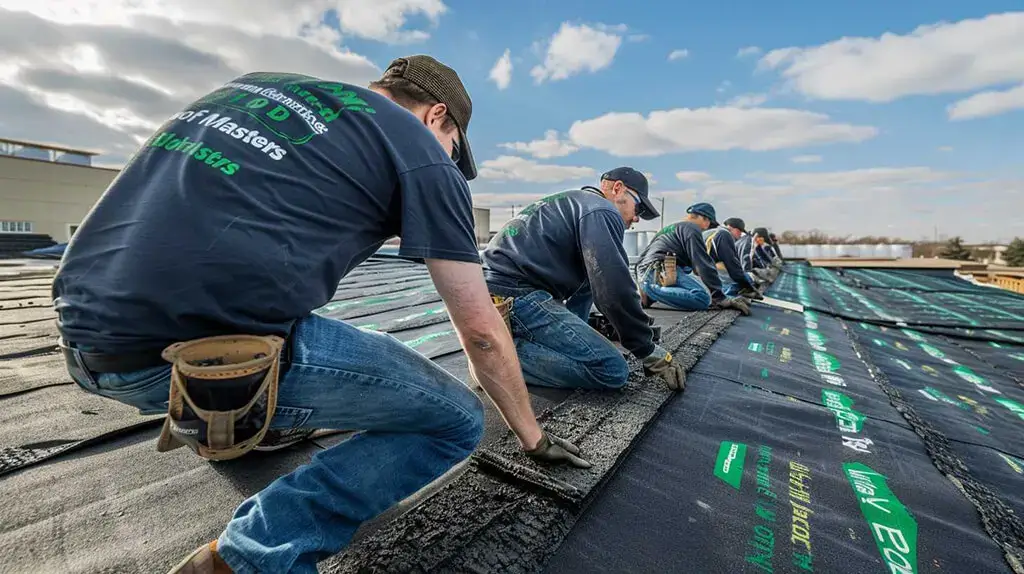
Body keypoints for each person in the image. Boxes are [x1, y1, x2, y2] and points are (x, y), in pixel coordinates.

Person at [52, 55, 591, 574]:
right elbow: (480, 332)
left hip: (83, 336)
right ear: (437, 116)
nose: (450, 161)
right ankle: (252, 557)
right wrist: (532, 437)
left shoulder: (252, 88)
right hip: (184, 356)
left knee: (297, 324)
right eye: (453, 149)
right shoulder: (421, 154)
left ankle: (233, 423)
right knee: (453, 420)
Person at [481, 167, 684, 392]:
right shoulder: (602, 210)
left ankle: (499, 347)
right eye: (639, 208)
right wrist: (645, 348)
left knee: (593, 355)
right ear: (618, 189)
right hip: (517, 294)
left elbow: (590, 285)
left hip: (497, 291)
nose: (636, 218)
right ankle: (492, 360)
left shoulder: (575, 204)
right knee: (611, 369)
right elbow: (613, 289)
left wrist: (582, 334)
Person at [636, 203, 751, 315]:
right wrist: (720, 297)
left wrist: (727, 296)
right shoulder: (692, 228)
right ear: (704, 219)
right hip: (655, 270)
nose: (707, 228)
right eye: (709, 224)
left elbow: (643, 256)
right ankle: (650, 291)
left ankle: (650, 291)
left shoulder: (674, 227)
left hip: (651, 270)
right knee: (702, 298)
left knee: (691, 276)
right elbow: (702, 263)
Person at [704, 217, 762, 300]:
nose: (740, 234)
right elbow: (732, 265)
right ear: (730, 228)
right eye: (739, 231)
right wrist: (748, 287)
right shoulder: (724, 234)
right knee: (744, 279)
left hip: (701, 272)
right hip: (704, 275)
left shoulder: (712, 232)